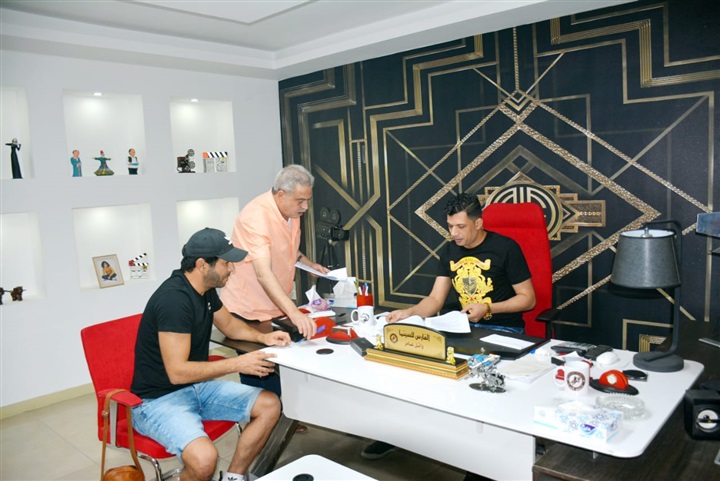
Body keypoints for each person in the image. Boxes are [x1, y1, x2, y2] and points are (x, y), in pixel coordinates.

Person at [361, 193, 536, 475]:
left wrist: (488, 308)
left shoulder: (506, 248)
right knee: (416, 369)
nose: (454, 233)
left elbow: (528, 299)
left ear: (478, 223)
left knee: (480, 386)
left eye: (460, 227)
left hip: (502, 329)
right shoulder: (450, 250)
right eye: (450, 226)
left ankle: (483, 466)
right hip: (461, 328)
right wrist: (410, 312)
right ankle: (399, 434)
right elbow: (435, 300)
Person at [131, 227, 291, 481]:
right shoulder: (174, 300)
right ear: (202, 265)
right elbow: (177, 372)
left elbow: (229, 325)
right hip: (158, 400)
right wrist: (237, 363)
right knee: (204, 460)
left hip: (196, 388)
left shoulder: (204, 290)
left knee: (270, 405)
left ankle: (233, 477)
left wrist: (263, 337)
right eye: (227, 263)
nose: (232, 269)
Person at [221, 164, 330, 397]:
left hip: (272, 306)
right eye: (300, 201)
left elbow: (287, 248)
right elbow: (263, 273)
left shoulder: (291, 212)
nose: (305, 207)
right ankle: (265, 415)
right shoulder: (255, 218)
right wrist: (294, 313)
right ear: (281, 194)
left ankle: (282, 412)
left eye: (307, 200)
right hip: (247, 309)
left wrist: (308, 263)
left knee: (280, 370)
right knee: (261, 376)